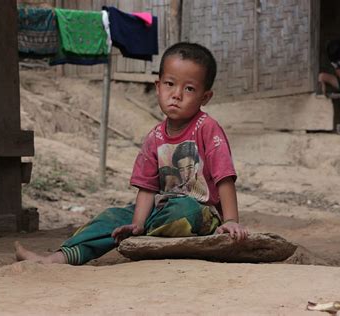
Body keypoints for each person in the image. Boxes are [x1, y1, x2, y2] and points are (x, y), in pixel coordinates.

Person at [15, 42, 249, 265]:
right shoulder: (154, 137)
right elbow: (147, 188)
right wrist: (136, 223)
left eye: (189, 88)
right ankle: (61, 257)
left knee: (183, 209)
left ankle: (150, 232)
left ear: (205, 97)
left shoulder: (207, 128)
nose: (176, 94)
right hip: (160, 211)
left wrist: (230, 221)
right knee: (113, 217)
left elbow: (224, 177)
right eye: (169, 84)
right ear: (157, 87)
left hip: (201, 214)